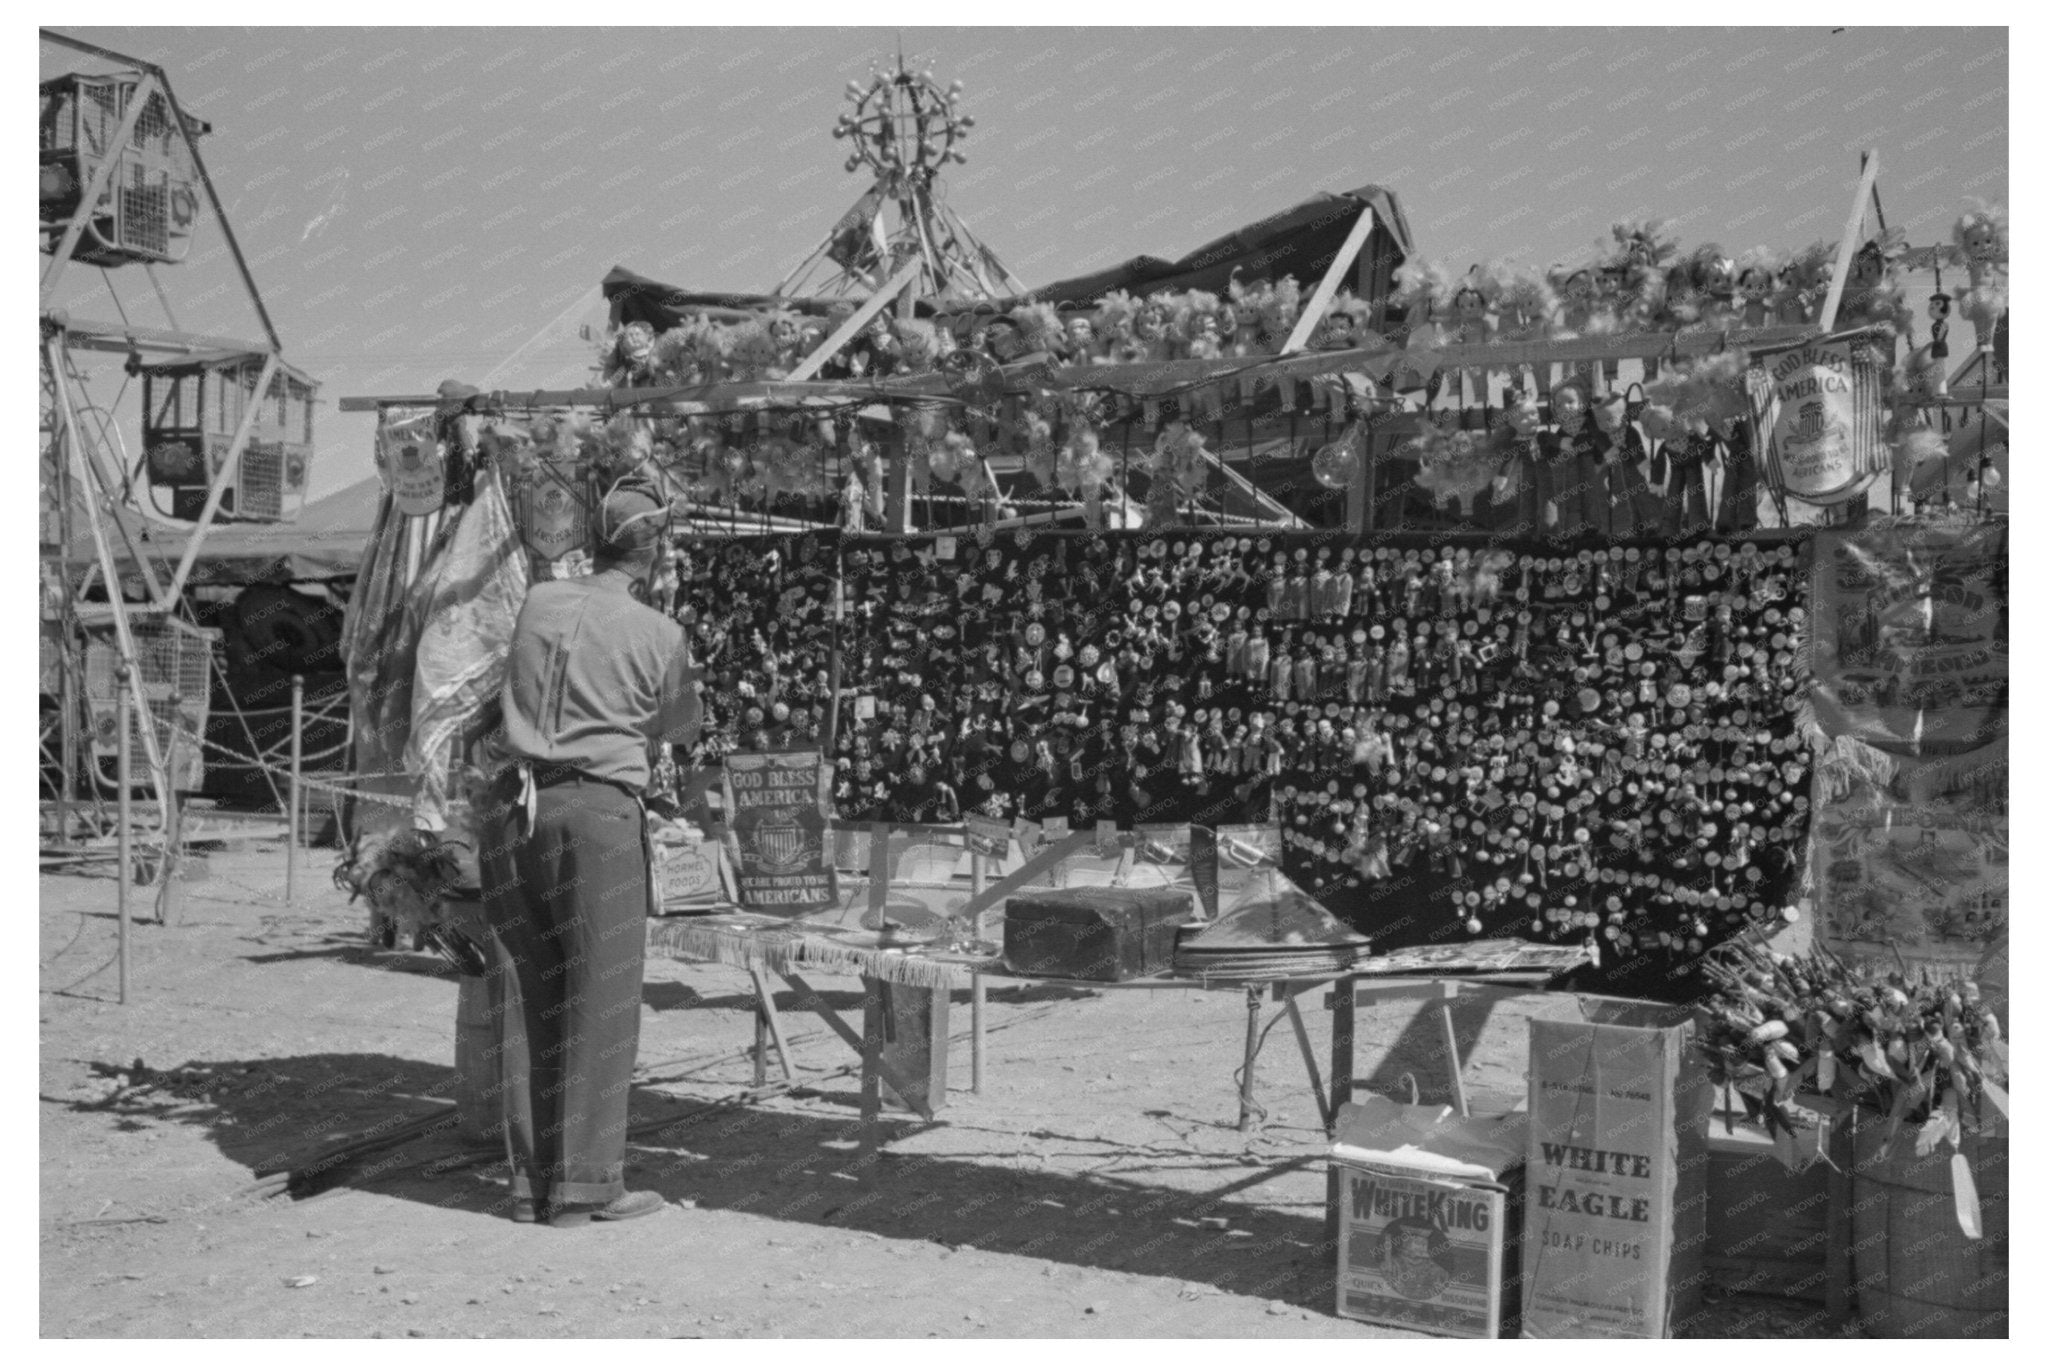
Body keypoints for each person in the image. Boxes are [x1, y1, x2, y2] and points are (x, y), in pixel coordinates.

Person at [479, 479, 701, 1227]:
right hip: (598, 817)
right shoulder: (660, 634)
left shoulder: (540, 601)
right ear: (654, 550)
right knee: (600, 1001)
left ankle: (529, 1187)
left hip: (515, 809)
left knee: (526, 993)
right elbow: (680, 725)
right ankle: (585, 1189)